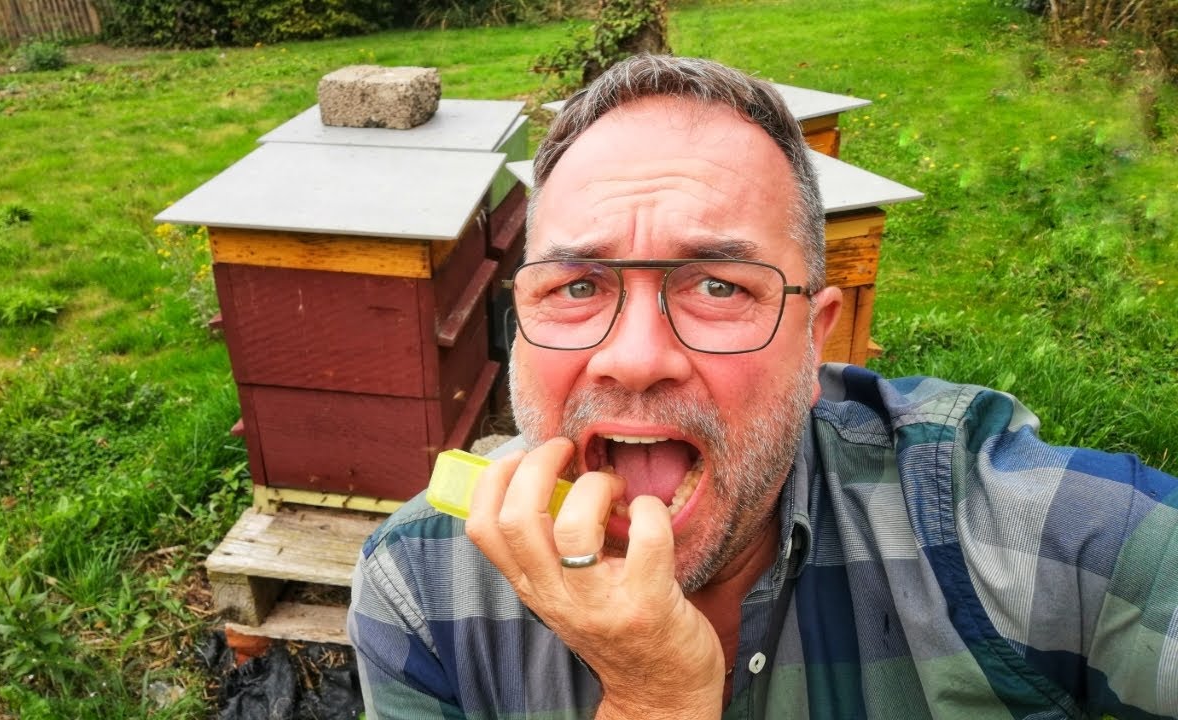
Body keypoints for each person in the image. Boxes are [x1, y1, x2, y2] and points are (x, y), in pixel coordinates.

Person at [346, 55, 1178, 719]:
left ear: (815, 341)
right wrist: (654, 702)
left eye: (718, 287)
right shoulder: (423, 587)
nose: (634, 359)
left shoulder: (981, 527)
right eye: (576, 287)